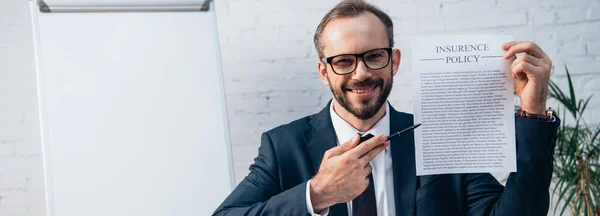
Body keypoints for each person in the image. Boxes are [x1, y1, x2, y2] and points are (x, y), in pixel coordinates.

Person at [213, 0, 559, 215]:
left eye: (374, 56)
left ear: (394, 61)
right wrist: (319, 194)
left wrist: (533, 110)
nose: (361, 73)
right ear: (324, 72)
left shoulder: (441, 138)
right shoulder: (282, 146)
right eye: (344, 61)